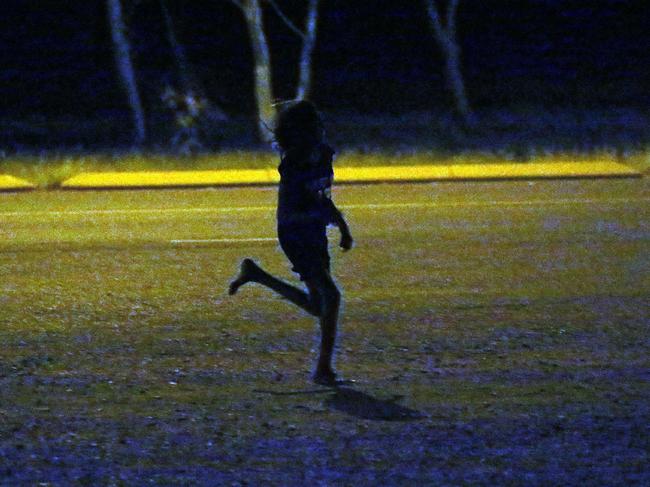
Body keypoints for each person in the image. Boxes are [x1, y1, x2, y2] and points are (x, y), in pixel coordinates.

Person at [228, 100, 353, 386]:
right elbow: (299, 207)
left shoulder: (323, 155)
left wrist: (342, 226)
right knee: (331, 297)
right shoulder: (293, 165)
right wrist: (324, 216)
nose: (322, 129)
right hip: (296, 234)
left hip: (315, 232)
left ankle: (256, 275)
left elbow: (323, 197)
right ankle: (323, 370)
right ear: (303, 131)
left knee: (318, 304)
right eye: (315, 125)